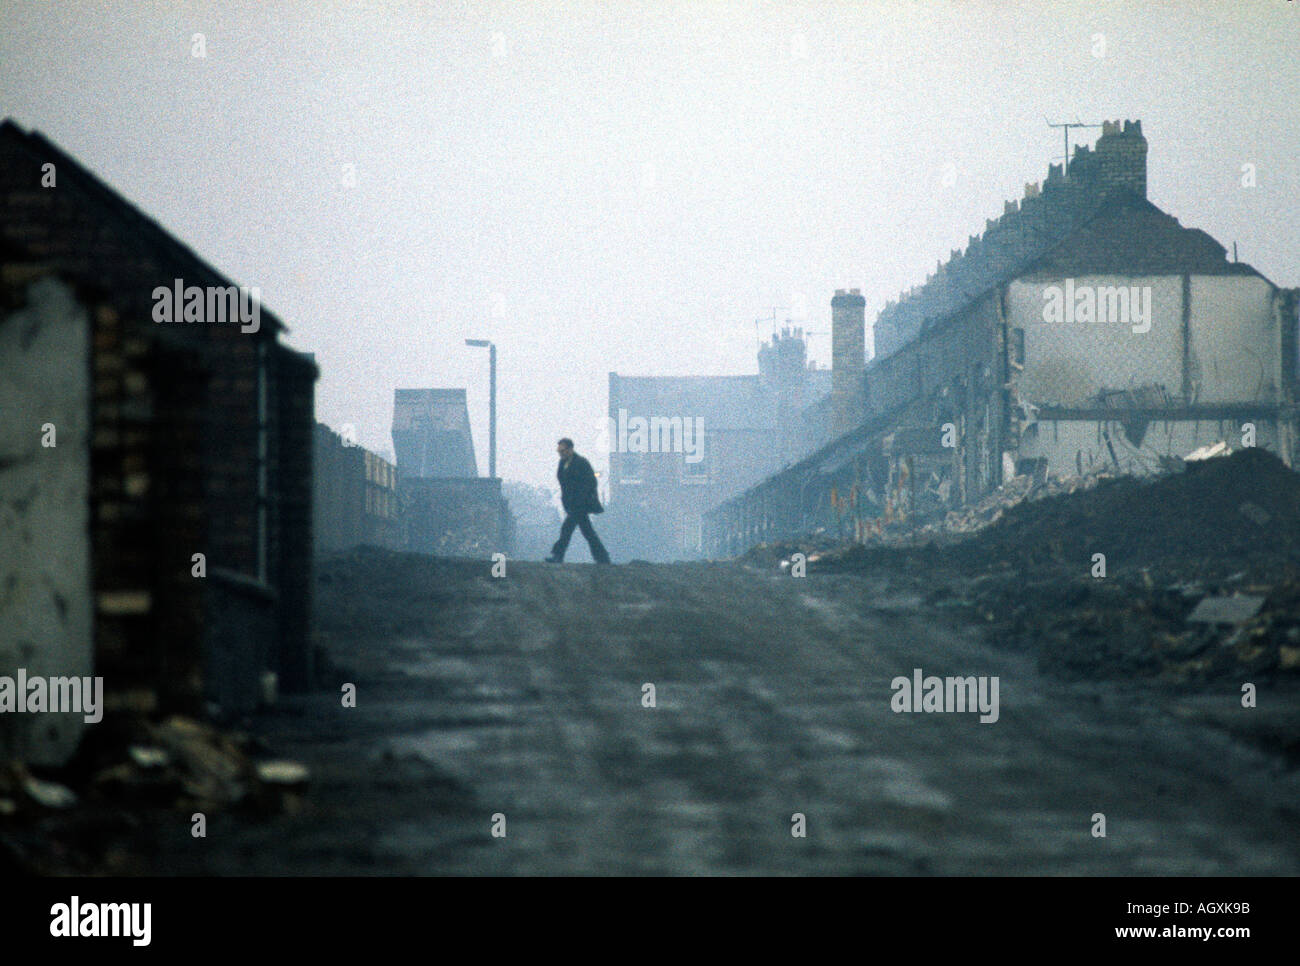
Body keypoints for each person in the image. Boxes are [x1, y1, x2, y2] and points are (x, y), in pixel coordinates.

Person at [546, 437, 611, 564]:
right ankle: (603, 558)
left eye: (563, 451)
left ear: (570, 449)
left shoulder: (581, 462)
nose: (561, 453)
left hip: (580, 505)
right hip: (572, 504)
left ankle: (558, 556)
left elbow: (591, 482)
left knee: (567, 529)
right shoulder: (562, 464)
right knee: (588, 532)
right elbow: (564, 485)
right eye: (559, 451)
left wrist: (581, 499)